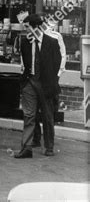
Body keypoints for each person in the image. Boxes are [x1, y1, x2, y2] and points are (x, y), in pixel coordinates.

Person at [14, 14, 61, 158]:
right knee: (29, 115)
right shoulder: (24, 42)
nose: (26, 30)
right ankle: (26, 148)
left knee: (47, 117)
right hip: (30, 82)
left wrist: (52, 84)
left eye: (27, 27)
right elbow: (24, 63)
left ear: (37, 27)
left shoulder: (52, 42)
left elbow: (57, 64)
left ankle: (49, 147)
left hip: (46, 84)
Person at [32, 18, 66, 147]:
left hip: (48, 82)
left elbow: (61, 58)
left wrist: (56, 77)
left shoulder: (54, 39)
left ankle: (49, 146)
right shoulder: (29, 41)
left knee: (47, 115)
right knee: (32, 114)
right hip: (33, 82)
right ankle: (35, 139)